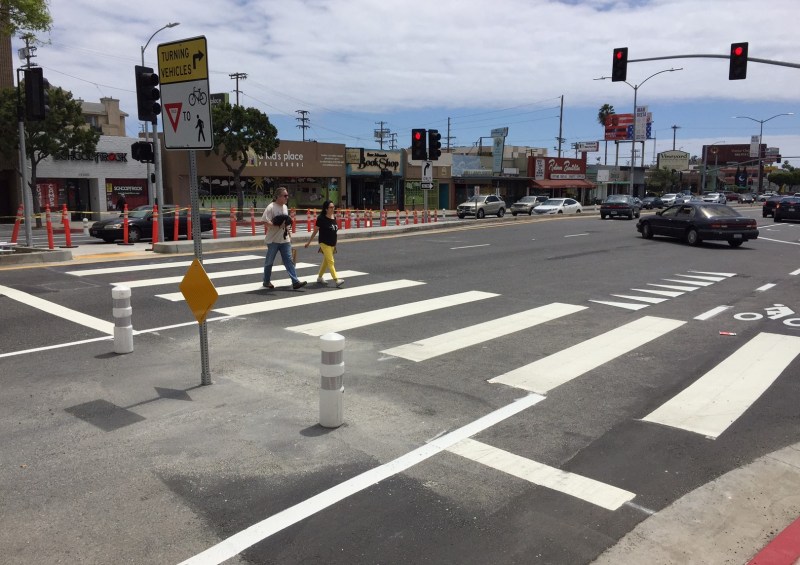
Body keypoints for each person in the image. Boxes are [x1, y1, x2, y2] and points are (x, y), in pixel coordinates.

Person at [261, 187, 307, 290]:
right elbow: (264, 221)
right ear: (278, 196)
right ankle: (266, 281)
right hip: (273, 240)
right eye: (285, 196)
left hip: (284, 239)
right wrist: (276, 225)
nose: (287, 197)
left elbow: (285, 222)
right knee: (269, 262)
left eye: (287, 195)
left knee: (289, 260)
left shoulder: (285, 207)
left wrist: (289, 234)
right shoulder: (271, 207)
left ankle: (295, 282)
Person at [305, 200, 344, 287]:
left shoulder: (333, 217)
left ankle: (319, 277)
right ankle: (336, 280)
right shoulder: (321, 218)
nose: (333, 208)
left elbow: (334, 232)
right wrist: (309, 242)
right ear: (326, 209)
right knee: (331, 261)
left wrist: (335, 245)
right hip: (324, 242)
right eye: (331, 207)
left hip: (332, 243)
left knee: (326, 261)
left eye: (333, 207)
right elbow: (315, 231)